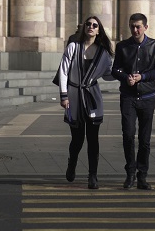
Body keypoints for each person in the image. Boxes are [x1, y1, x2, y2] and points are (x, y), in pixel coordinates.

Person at [58, 15, 114, 189]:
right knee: (77, 139)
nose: (91, 27)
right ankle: (72, 163)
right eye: (88, 24)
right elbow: (63, 71)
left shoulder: (103, 53)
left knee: (93, 139)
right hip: (74, 97)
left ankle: (93, 175)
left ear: (98, 30)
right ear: (84, 28)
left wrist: (122, 73)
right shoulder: (73, 47)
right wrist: (64, 95)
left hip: (92, 97)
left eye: (94, 25)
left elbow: (107, 74)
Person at [111, 12, 155, 189]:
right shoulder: (122, 46)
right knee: (128, 135)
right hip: (128, 97)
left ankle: (142, 176)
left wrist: (142, 76)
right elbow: (115, 69)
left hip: (147, 97)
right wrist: (126, 77)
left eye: (138, 26)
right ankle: (130, 173)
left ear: (145, 27)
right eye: (132, 26)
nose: (135, 30)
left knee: (145, 139)